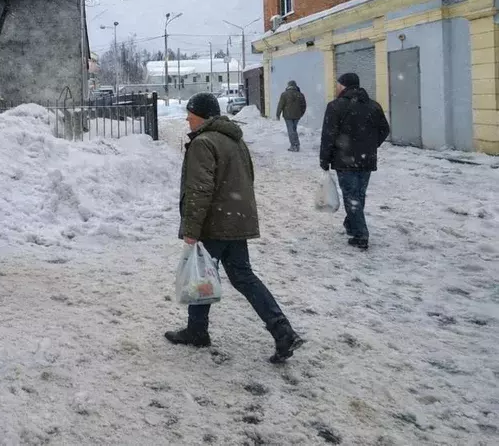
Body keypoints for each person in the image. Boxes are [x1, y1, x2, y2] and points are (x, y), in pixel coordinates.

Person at [165, 92, 304, 364]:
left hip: (215, 222)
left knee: (201, 277)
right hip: (235, 219)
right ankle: (282, 330)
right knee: (243, 278)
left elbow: (199, 189)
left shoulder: (203, 143)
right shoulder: (235, 139)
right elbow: (247, 178)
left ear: (201, 115)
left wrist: (192, 229)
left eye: (190, 114)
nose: (187, 119)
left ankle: (196, 331)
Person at [319, 73, 390, 251]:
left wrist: (324, 159)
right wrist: (370, 146)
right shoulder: (373, 106)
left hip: (345, 160)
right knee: (358, 195)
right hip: (366, 160)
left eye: (337, 84)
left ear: (343, 86)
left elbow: (329, 135)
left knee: (352, 197)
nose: (336, 87)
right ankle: (352, 225)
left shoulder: (335, 106)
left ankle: (360, 235)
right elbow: (384, 129)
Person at [275, 80, 308, 152]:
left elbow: (280, 105)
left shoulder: (284, 94)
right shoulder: (300, 94)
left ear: (288, 85)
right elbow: (304, 106)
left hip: (288, 115)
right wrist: (301, 114)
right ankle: (297, 145)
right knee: (294, 129)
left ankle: (294, 146)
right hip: (297, 116)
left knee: (291, 130)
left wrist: (278, 114)